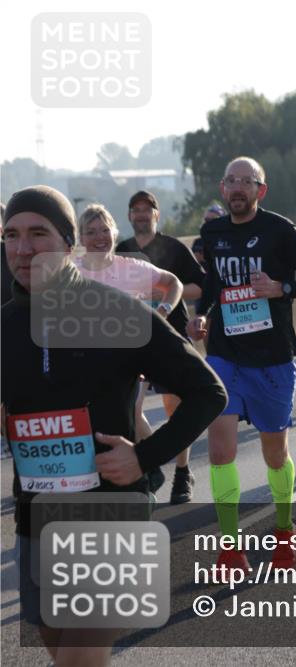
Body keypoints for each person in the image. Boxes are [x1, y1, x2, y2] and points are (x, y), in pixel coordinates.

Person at [2, 185, 226, 666]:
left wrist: (144, 456)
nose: (23, 248)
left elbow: (208, 392)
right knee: (60, 645)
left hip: (111, 511)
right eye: (12, 235)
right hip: (36, 517)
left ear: (68, 244)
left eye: (38, 234)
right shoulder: (4, 327)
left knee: (78, 659)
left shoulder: (118, 312)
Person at [188, 157, 296, 575]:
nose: (237, 188)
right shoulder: (212, 233)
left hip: (271, 358)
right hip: (224, 354)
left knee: (274, 454)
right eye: (231, 181)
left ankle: (284, 529)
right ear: (222, 188)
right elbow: (213, 284)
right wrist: (202, 314)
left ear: (260, 190)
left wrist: (281, 287)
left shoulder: (280, 230)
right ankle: (230, 548)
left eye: (246, 182)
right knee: (220, 452)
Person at [116, 190, 207, 504]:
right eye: (136, 210)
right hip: (133, 340)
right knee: (131, 408)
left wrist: (165, 292)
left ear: (156, 214)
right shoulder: (122, 251)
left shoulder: (173, 248)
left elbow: (199, 286)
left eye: (147, 210)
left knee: (176, 408)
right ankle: (152, 465)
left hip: (170, 335)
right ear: (130, 216)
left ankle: (182, 473)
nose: (142, 215)